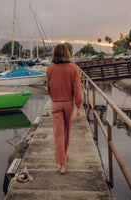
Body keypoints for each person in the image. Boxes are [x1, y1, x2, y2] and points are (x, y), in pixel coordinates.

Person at [46, 43, 82, 175]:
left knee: (58, 134)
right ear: (67, 53)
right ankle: (63, 157)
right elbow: (77, 90)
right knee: (66, 131)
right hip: (68, 104)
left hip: (55, 103)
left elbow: (49, 89)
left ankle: (62, 163)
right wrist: (79, 107)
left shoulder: (49, 69)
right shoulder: (74, 69)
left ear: (55, 54)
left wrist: (55, 98)